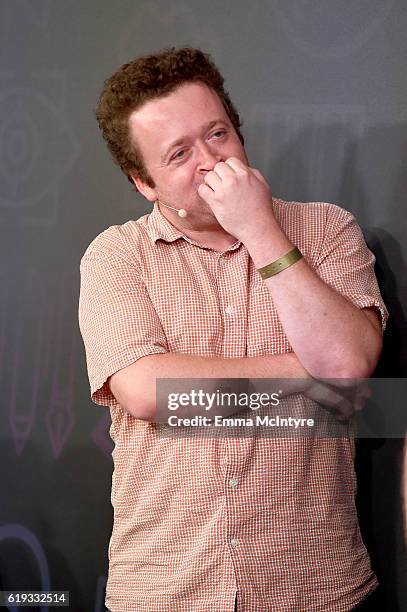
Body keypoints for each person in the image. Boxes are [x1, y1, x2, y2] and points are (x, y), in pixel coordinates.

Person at [79, 47, 388, 611]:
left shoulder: (325, 229)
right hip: (166, 588)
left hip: (314, 585)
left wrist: (260, 229)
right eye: (179, 153)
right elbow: (149, 393)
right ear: (144, 182)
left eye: (217, 133)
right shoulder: (117, 256)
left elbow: (346, 362)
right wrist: (305, 373)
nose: (210, 160)